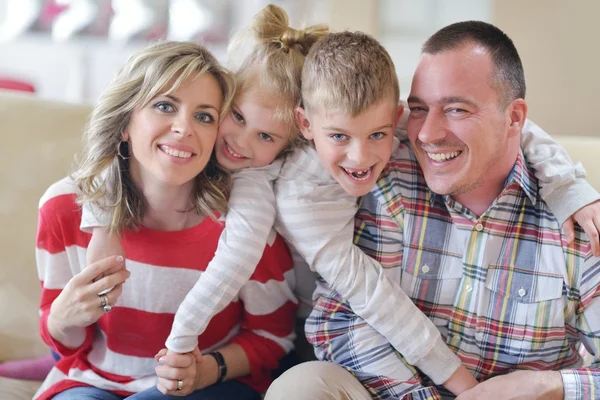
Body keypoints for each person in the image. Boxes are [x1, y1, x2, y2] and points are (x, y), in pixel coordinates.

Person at [266, 22, 600, 399]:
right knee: (302, 388)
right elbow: (342, 320)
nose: (427, 133)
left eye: (456, 109)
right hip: (397, 391)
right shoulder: (387, 169)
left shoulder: (578, 222)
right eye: (420, 109)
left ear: (514, 118)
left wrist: (548, 385)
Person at [34, 40, 297, 400]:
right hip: (95, 379)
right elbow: (68, 344)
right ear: (125, 121)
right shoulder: (63, 209)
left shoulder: (245, 228)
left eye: (204, 116)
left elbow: (274, 336)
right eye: (164, 106)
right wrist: (61, 318)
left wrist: (207, 369)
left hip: (211, 385)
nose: (183, 128)